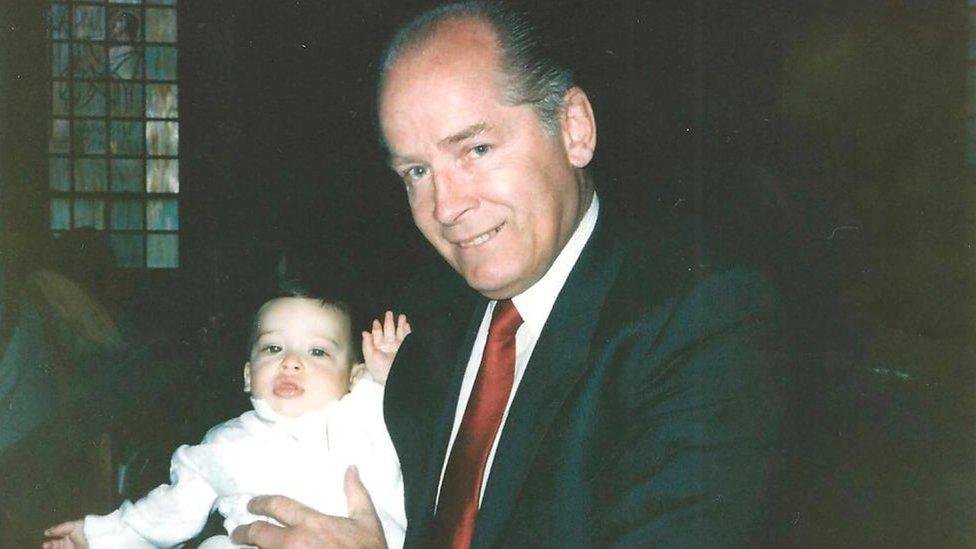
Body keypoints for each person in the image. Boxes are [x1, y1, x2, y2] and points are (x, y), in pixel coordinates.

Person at [233, 2, 793, 547]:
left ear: (573, 128)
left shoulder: (702, 321)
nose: (445, 207)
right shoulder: (425, 313)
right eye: (418, 171)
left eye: (476, 148)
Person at [42, 287, 412, 549]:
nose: (291, 361)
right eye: (273, 347)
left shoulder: (362, 414)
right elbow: (168, 512)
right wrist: (97, 536)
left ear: (352, 375)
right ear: (249, 375)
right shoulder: (226, 443)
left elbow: (395, 411)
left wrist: (388, 375)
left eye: (317, 351)